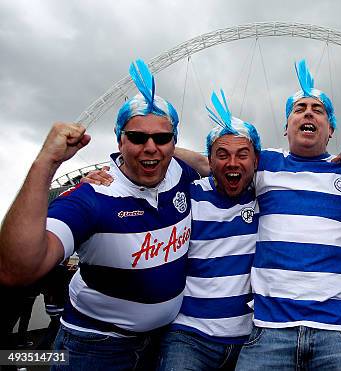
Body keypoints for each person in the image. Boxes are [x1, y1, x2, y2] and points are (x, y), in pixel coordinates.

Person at [0, 59, 200, 370]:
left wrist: (168, 147)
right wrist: (46, 163)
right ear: (120, 139)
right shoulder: (92, 197)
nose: (151, 147)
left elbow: (220, 163)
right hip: (95, 347)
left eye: (162, 138)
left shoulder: (180, 172)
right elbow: (18, 269)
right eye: (137, 137)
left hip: (162, 341)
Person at [234, 60, 341, 370]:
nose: (308, 112)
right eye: (299, 108)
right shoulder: (265, 165)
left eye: (318, 109)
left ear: (330, 131)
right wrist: (117, 167)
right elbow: (211, 165)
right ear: (286, 126)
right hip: (269, 331)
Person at [157, 90, 261, 370]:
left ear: (256, 161)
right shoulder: (188, 194)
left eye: (242, 154)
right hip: (189, 336)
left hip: (252, 341)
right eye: (222, 155)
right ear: (210, 161)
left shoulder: (269, 196)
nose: (232, 163)